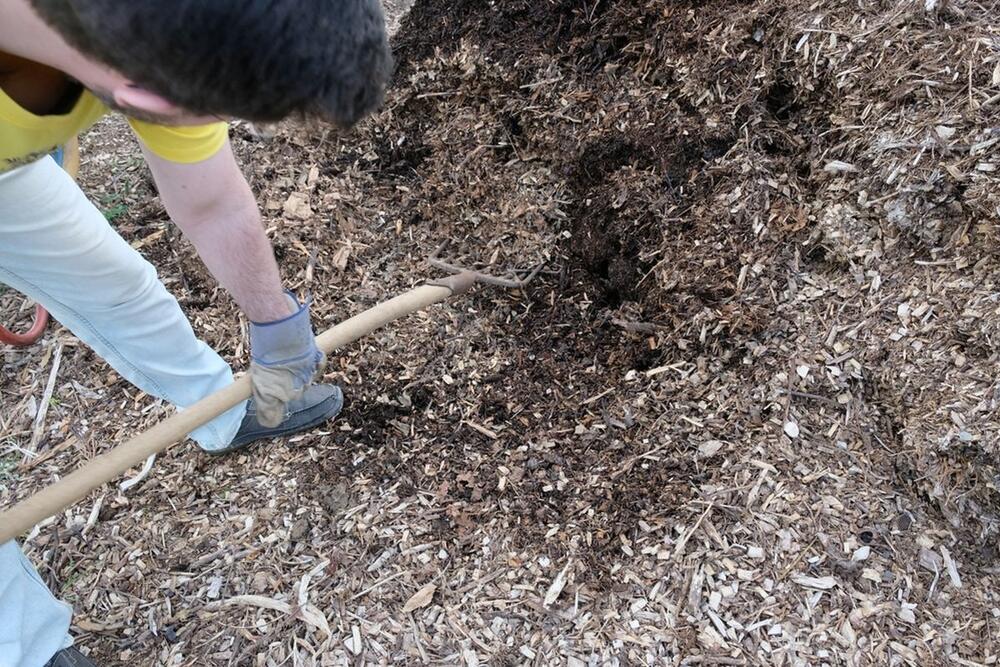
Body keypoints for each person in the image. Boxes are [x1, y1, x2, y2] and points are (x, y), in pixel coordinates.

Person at [0, 1, 392, 665]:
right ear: (141, 97)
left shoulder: (158, 28)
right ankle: (28, 647)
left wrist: (276, 324)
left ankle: (227, 409)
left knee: (115, 281)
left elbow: (211, 202)